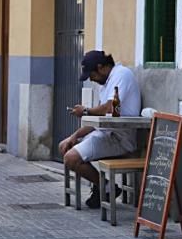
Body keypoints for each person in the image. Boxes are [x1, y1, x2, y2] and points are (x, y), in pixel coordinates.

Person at [58, 50, 142, 209]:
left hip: (120, 138)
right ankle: (102, 187)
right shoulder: (105, 83)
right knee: (65, 145)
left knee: (71, 158)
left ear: (101, 67)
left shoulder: (121, 75)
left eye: (92, 75)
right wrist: (74, 136)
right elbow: (99, 119)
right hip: (105, 133)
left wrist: (85, 111)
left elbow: (109, 108)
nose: (91, 79)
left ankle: (107, 188)